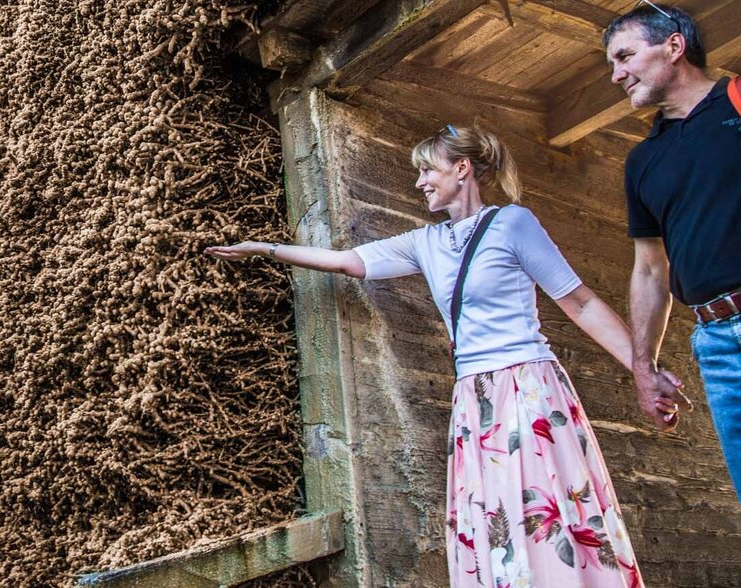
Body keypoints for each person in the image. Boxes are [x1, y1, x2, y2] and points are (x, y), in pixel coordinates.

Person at [206, 125, 647, 587]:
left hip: (525, 386)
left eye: (426, 170)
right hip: (474, 398)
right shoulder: (426, 242)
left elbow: (581, 302)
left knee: (541, 504)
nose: (419, 182)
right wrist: (265, 250)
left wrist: (642, 369)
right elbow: (348, 261)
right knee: (496, 513)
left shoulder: (513, 223)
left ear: (462, 169)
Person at [606, 1, 741, 584]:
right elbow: (649, 270)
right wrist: (643, 366)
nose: (615, 74)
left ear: (673, 45)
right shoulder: (643, 162)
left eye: (624, 56)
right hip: (719, 350)